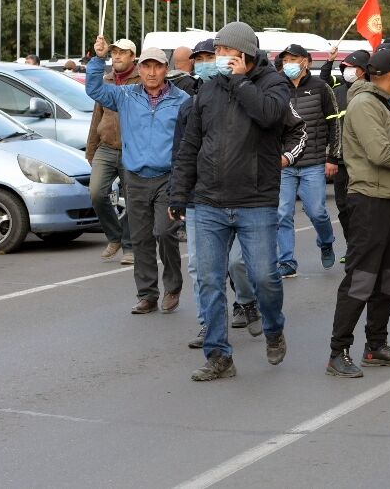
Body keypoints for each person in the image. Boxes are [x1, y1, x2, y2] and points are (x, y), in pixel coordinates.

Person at [169, 21, 292, 381]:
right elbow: (190, 145)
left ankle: (273, 328)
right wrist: (180, 192)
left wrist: (240, 82)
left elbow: (270, 117)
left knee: (265, 277)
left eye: (224, 51)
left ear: (245, 54)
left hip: (255, 201)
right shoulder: (207, 92)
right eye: (216, 51)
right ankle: (219, 355)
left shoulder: (274, 83)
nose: (217, 58)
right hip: (208, 202)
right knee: (208, 280)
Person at [326, 50, 390, 378]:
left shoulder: (380, 101)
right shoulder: (365, 104)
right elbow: (379, 153)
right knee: (361, 278)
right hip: (369, 201)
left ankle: (376, 344)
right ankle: (338, 351)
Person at [86, 37, 189, 315]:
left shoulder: (182, 101)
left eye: (157, 67)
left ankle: (173, 286)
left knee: (165, 232)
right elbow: (94, 89)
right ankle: (147, 294)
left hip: (168, 178)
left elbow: (193, 138)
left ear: (166, 69)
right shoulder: (126, 96)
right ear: (139, 69)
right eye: (146, 67)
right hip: (136, 177)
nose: (151, 72)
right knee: (142, 238)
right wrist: (98, 59)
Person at [276, 44, 340, 277]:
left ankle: (326, 241)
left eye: (294, 59)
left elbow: (335, 123)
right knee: (282, 213)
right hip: (284, 163)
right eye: (286, 60)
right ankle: (287, 261)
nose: (289, 64)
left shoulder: (321, 87)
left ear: (307, 62)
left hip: (313, 162)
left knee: (317, 211)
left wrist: (332, 156)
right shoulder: (277, 87)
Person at [85, 37, 138, 264]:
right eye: (114, 51)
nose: (116, 56)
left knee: (132, 200)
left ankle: (129, 247)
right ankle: (114, 236)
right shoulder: (105, 79)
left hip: (131, 149)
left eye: (122, 52)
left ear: (132, 57)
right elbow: (97, 116)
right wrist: (91, 150)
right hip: (106, 147)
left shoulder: (142, 79)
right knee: (96, 192)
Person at [319, 49, 372, 261]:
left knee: (364, 207)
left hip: (365, 161)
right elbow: (322, 84)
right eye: (346, 68)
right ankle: (353, 248)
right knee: (343, 207)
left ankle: (368, 249)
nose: (349, 71)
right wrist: (331, 157)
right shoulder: (336, 91)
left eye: (354, 68)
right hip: (340, 161)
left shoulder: (371, 92)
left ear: (364, 71)